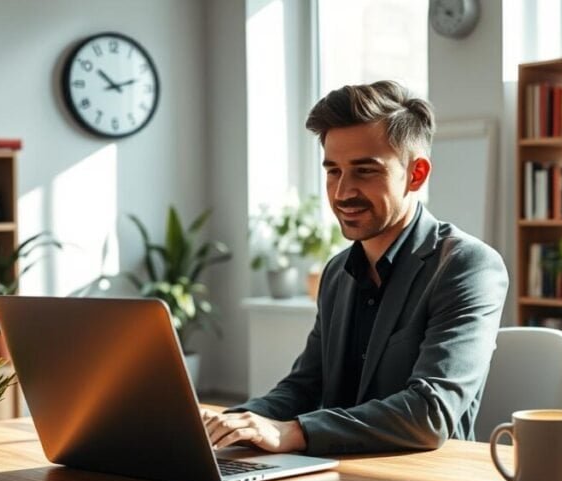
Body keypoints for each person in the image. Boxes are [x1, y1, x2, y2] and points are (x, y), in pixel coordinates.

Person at [202, 80, 508, 455]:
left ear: (416, 174)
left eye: (365, 171)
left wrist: (295, 432)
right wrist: (232, 424)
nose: (343, 192)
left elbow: (430, 413)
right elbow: (304, 387)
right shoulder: (336, 272)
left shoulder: (467, 266)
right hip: (338, 475)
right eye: (333, 171)